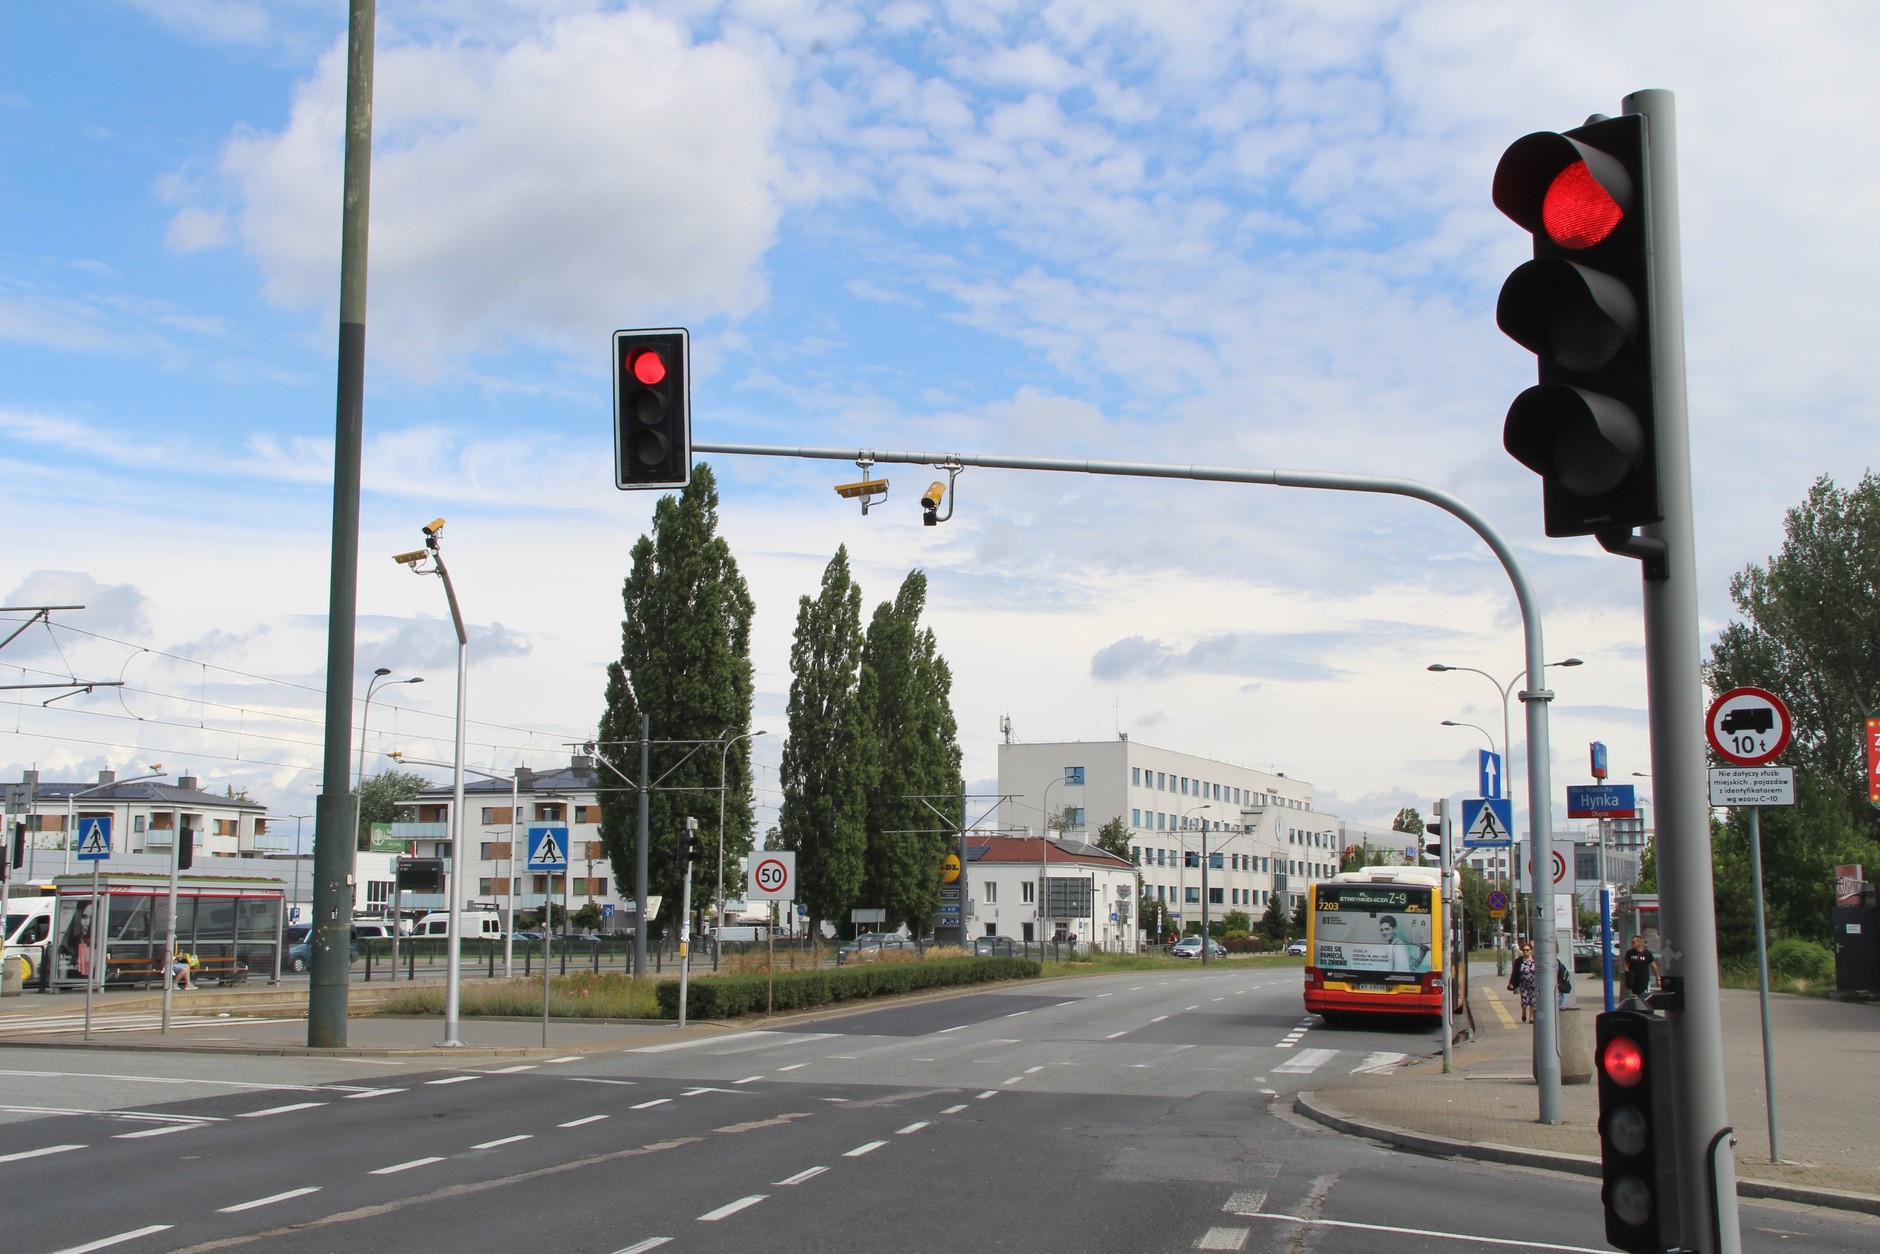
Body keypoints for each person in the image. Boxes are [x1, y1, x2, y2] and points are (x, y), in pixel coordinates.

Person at [1507, 941, 1537, 1023]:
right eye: (1524, 950)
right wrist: (1512, 983)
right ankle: (1524, 1012)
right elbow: (1515, 973)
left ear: (1531, 950)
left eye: (1527, 950)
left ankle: (1531, 1017)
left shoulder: (1535, 959)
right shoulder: (1519, 961)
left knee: (1533, 1001)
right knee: (1524, 1000)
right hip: (1523, 984)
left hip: (1534, 983)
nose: (1526, 952)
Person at [1622, 934, 1659, 999]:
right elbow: (1625, 961)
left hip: (1643, 979)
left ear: (1640, 942)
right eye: (1631, 942)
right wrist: (1626, 970)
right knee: (1634, 996)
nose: (1632, 944)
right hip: (1633, 979)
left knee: (1643, 996)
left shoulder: (1647, 953)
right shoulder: (1630, 952)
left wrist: (1657, 978)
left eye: (1633, 942)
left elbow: (1653, 965)